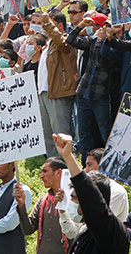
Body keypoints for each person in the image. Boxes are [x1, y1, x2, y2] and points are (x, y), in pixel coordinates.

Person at [52, 133, 130, 254]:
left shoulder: (112, 232)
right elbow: (71, 231)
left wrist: (68, 156)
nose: (73, 196)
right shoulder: (85, 231)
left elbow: (95, 204)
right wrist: (62, 211)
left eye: (80, 196)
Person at [66, 13, 117, 160]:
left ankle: (110, 164)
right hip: (84, 93)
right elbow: (70, 40)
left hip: (100, 96)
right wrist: (81, 25)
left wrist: (105, 40)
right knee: (84, 134)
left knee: (105, 132)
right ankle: (85, 166)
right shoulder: (92, 41)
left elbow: (109, 57)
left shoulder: (114, 44)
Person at [38, 12, 78, 157]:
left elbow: (63, 45)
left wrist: (48, 23)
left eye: (47, 23)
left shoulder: (66, 40)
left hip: (57, 92)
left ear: (59, 25)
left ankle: (66, 166)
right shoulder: (48, 44)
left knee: (60, 133)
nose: (44, 26)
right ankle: (52, 166)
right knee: (47, 134)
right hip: (43, 93)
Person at [14, 158, 70, 254]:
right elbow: (28, 229)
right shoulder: (43, 200)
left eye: (45, 171)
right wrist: (21, 205)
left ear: (58, 173)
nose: (41, 176)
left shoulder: (73, 199)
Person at [83, 148, 129, 221]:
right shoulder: (88, 188)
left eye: (90, 165)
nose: (86, 170)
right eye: (86, 165)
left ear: (103, 165)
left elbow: (102, 220)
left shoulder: (117, 192)